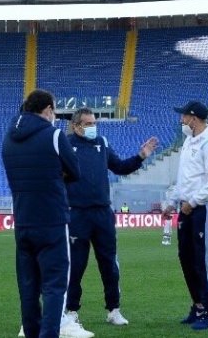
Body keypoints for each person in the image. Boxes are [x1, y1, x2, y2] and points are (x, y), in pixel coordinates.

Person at [63, 108, 158, 332]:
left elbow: (120, 167)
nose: (92, 127)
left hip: (103, 214)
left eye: (93, 123)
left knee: (109, 264)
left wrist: (140, 157)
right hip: (77, 213)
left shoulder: (102, 143)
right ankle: (72, 312)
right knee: (76, 265)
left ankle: (113, 310)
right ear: (76, 126)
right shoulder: (66, 144)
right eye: (87, 123)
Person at [3, 89, 84, 338]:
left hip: (23, 220)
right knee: (54, 285)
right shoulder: (54, 135)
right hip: (52, 221)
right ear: (48, 109)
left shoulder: (8, 138)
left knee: (28, 286)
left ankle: (31, 333)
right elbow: (75, 171)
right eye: (55, 111)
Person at [166, 100, 208, 331]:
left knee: (205, 259)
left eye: (184, 116)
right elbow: (185, 179)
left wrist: (192, 202)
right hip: (186, 207)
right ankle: (198, 306)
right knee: (186, 257)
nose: (181, 120)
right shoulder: (189, 141)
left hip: (203, 207)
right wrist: (173, 201)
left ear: (193, 118)